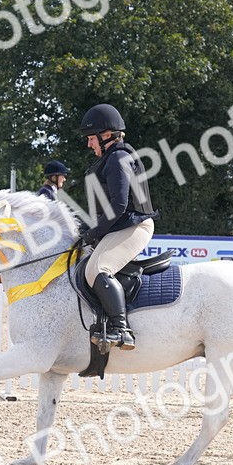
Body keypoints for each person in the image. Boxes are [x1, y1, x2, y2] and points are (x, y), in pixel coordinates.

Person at [78, 103, 157, 350]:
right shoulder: (110, 158)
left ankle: (121, 329)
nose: (89, 144)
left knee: (97, 269)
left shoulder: (118, 158)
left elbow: (119, 205)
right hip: (121, 225)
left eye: (91, 138)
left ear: (106, 135)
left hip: (134, 226)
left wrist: (93, 233)